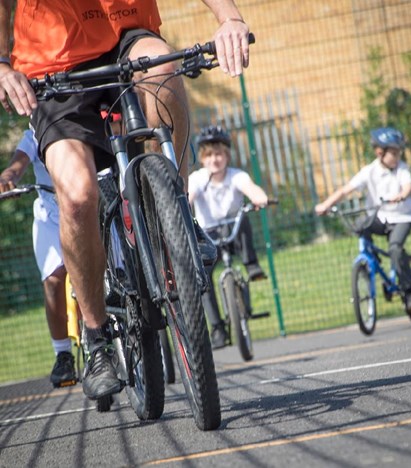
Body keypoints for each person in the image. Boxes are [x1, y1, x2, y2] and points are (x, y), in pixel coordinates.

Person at [0, 0, 251, 400]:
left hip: (127, 37)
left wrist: (230, 19)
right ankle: (97, 340)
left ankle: (177, 215)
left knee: (164, 69)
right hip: (51, 65)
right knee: (80, 197)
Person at [0, 129, 76, 388]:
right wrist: (10, 175)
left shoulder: (83, 114)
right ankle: (63, 354)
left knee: (113, 271)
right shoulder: (33, 134)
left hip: (89, 207)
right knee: (54, 280)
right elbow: (19, 163)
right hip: (51, 215)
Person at [315, 126, 411, 310]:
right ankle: (371, 261)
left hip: (402, 217)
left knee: (395, 248)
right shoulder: (369, 171)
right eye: (393, 154)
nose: (397, 157)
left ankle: (410, 292)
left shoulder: (402, 169)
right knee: (360, 225)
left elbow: (408, 186)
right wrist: (326, 204)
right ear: (380, 153)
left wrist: (402, 195)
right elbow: (345, 190)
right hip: (381, 217)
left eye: (398, 153)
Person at [189, 125, 268, 349]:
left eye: (220, 154)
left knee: (243, 216)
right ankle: (218, 329)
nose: (215, 159)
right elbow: (189, 197)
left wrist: (260, 198)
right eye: (210, 155)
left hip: (233, 232)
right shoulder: (197, 179)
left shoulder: (236, 176)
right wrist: (186, 204)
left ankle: (251, 265)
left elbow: (251, 189)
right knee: (203, 280)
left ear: (227, 156)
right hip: (208, 235)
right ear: (203, 159)